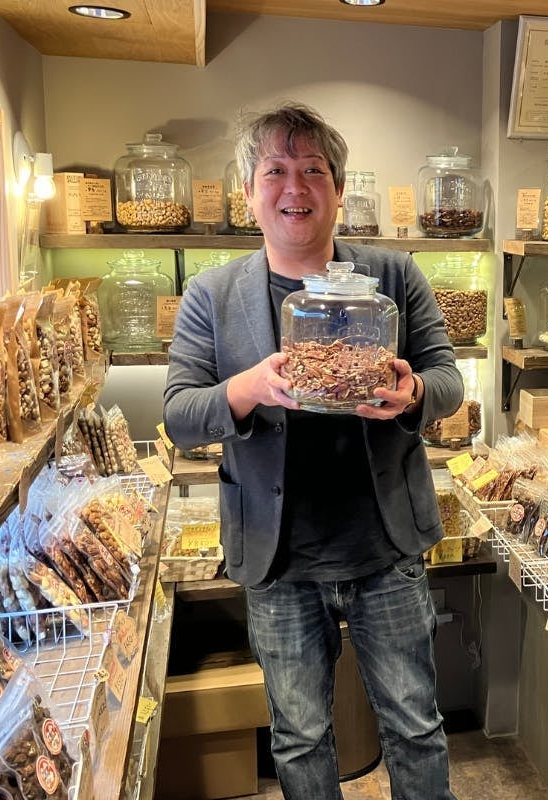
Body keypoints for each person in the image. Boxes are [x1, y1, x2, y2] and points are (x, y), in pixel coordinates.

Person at [163, 103, 461, 800]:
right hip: (279, 560)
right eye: (274, 171)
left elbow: (447, 380)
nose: (294, 187)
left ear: (338, 187)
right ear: (248, 192)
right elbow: (180, 415)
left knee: (415, 727)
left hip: (384, 548)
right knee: (299, 738)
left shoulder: (393, 276)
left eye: (312, 171)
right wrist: (248, 387)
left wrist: (413, 391)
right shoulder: (211, 295)